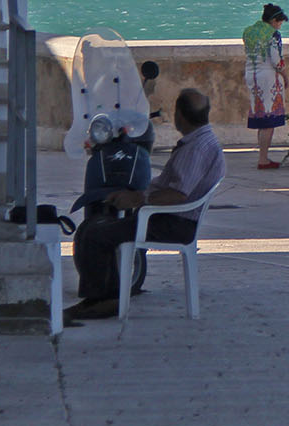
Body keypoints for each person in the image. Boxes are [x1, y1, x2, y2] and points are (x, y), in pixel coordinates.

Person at [65, 87, 226, 322]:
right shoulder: (200, 139)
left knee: (95, 233)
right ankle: (105, 295)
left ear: (180, 115)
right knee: (96, 226)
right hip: (165, 215)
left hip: (173, 222)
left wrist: (141, 199)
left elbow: (178, 195)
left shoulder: (197, 149)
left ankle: (102, 300)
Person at [242, 3, 288, 168]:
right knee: (269, 119)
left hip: (251, 75)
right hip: (268, 78)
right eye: (280, 21)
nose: (280, 25)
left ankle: (263, 156)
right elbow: (277, 61)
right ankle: (263, 158)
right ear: (273, 20)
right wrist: (285, 75)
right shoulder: (273, 34)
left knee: (260, 117)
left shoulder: (248, 32)